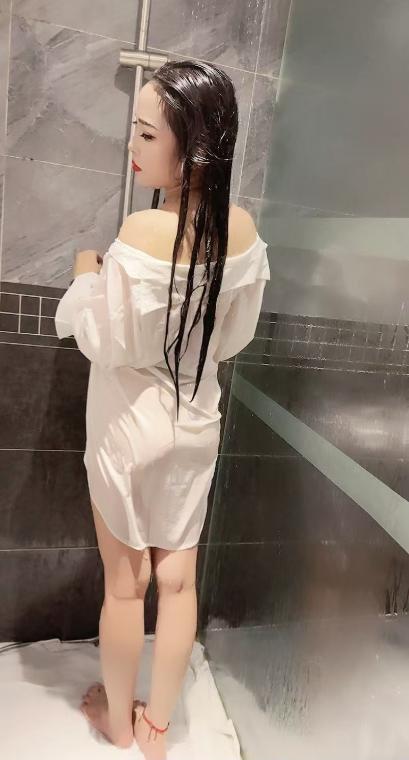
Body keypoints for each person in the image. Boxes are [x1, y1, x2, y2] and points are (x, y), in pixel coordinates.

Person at [54, 59, 270, 760]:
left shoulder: (143, 231)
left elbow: (102, 340)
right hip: (195, 421)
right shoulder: (242, 230)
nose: (133, 145)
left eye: (147, 135)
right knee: (177, 584)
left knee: (126, 587)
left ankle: (118, 722)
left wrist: (85, 276)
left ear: (195, 149)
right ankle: (157, 729)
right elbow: (232, 338)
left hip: (128, 424)